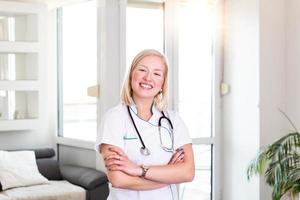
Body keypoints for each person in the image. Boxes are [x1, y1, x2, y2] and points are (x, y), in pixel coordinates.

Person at [96, 49, 195, 200]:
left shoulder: (174, 120)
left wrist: (138, 170)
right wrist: (170, 175)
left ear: (163, 83)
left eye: (157, 73)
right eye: (142, 70)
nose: (148, 78)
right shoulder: (114, 118)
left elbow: (188, 173)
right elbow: (118, 179)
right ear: (131, 76)